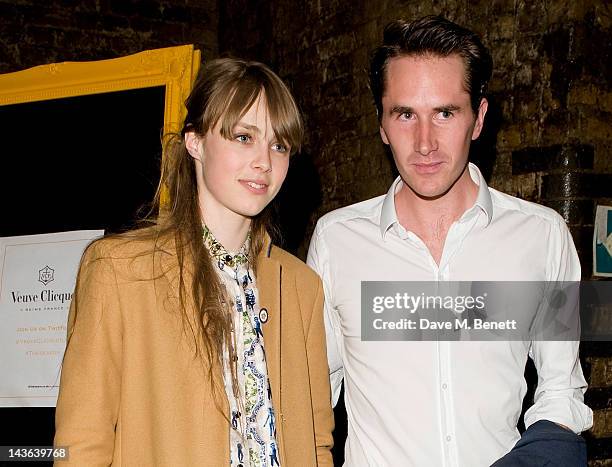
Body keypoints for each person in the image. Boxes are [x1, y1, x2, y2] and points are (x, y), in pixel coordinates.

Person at [307, 16, 592, 466]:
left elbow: (562, 393)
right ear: (382, 124)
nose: (424, 143)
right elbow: (311, 397)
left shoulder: (543, 236)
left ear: (478, 118)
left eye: (445, 113)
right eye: (405, 115)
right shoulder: (337, 240)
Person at [54, 57, 334, 466]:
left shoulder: (300, 286)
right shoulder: (119, 270)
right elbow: (79, 447)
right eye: (243, 137)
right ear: (195, 142)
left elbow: (315, 442)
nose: (264, 161)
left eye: (279, 145)